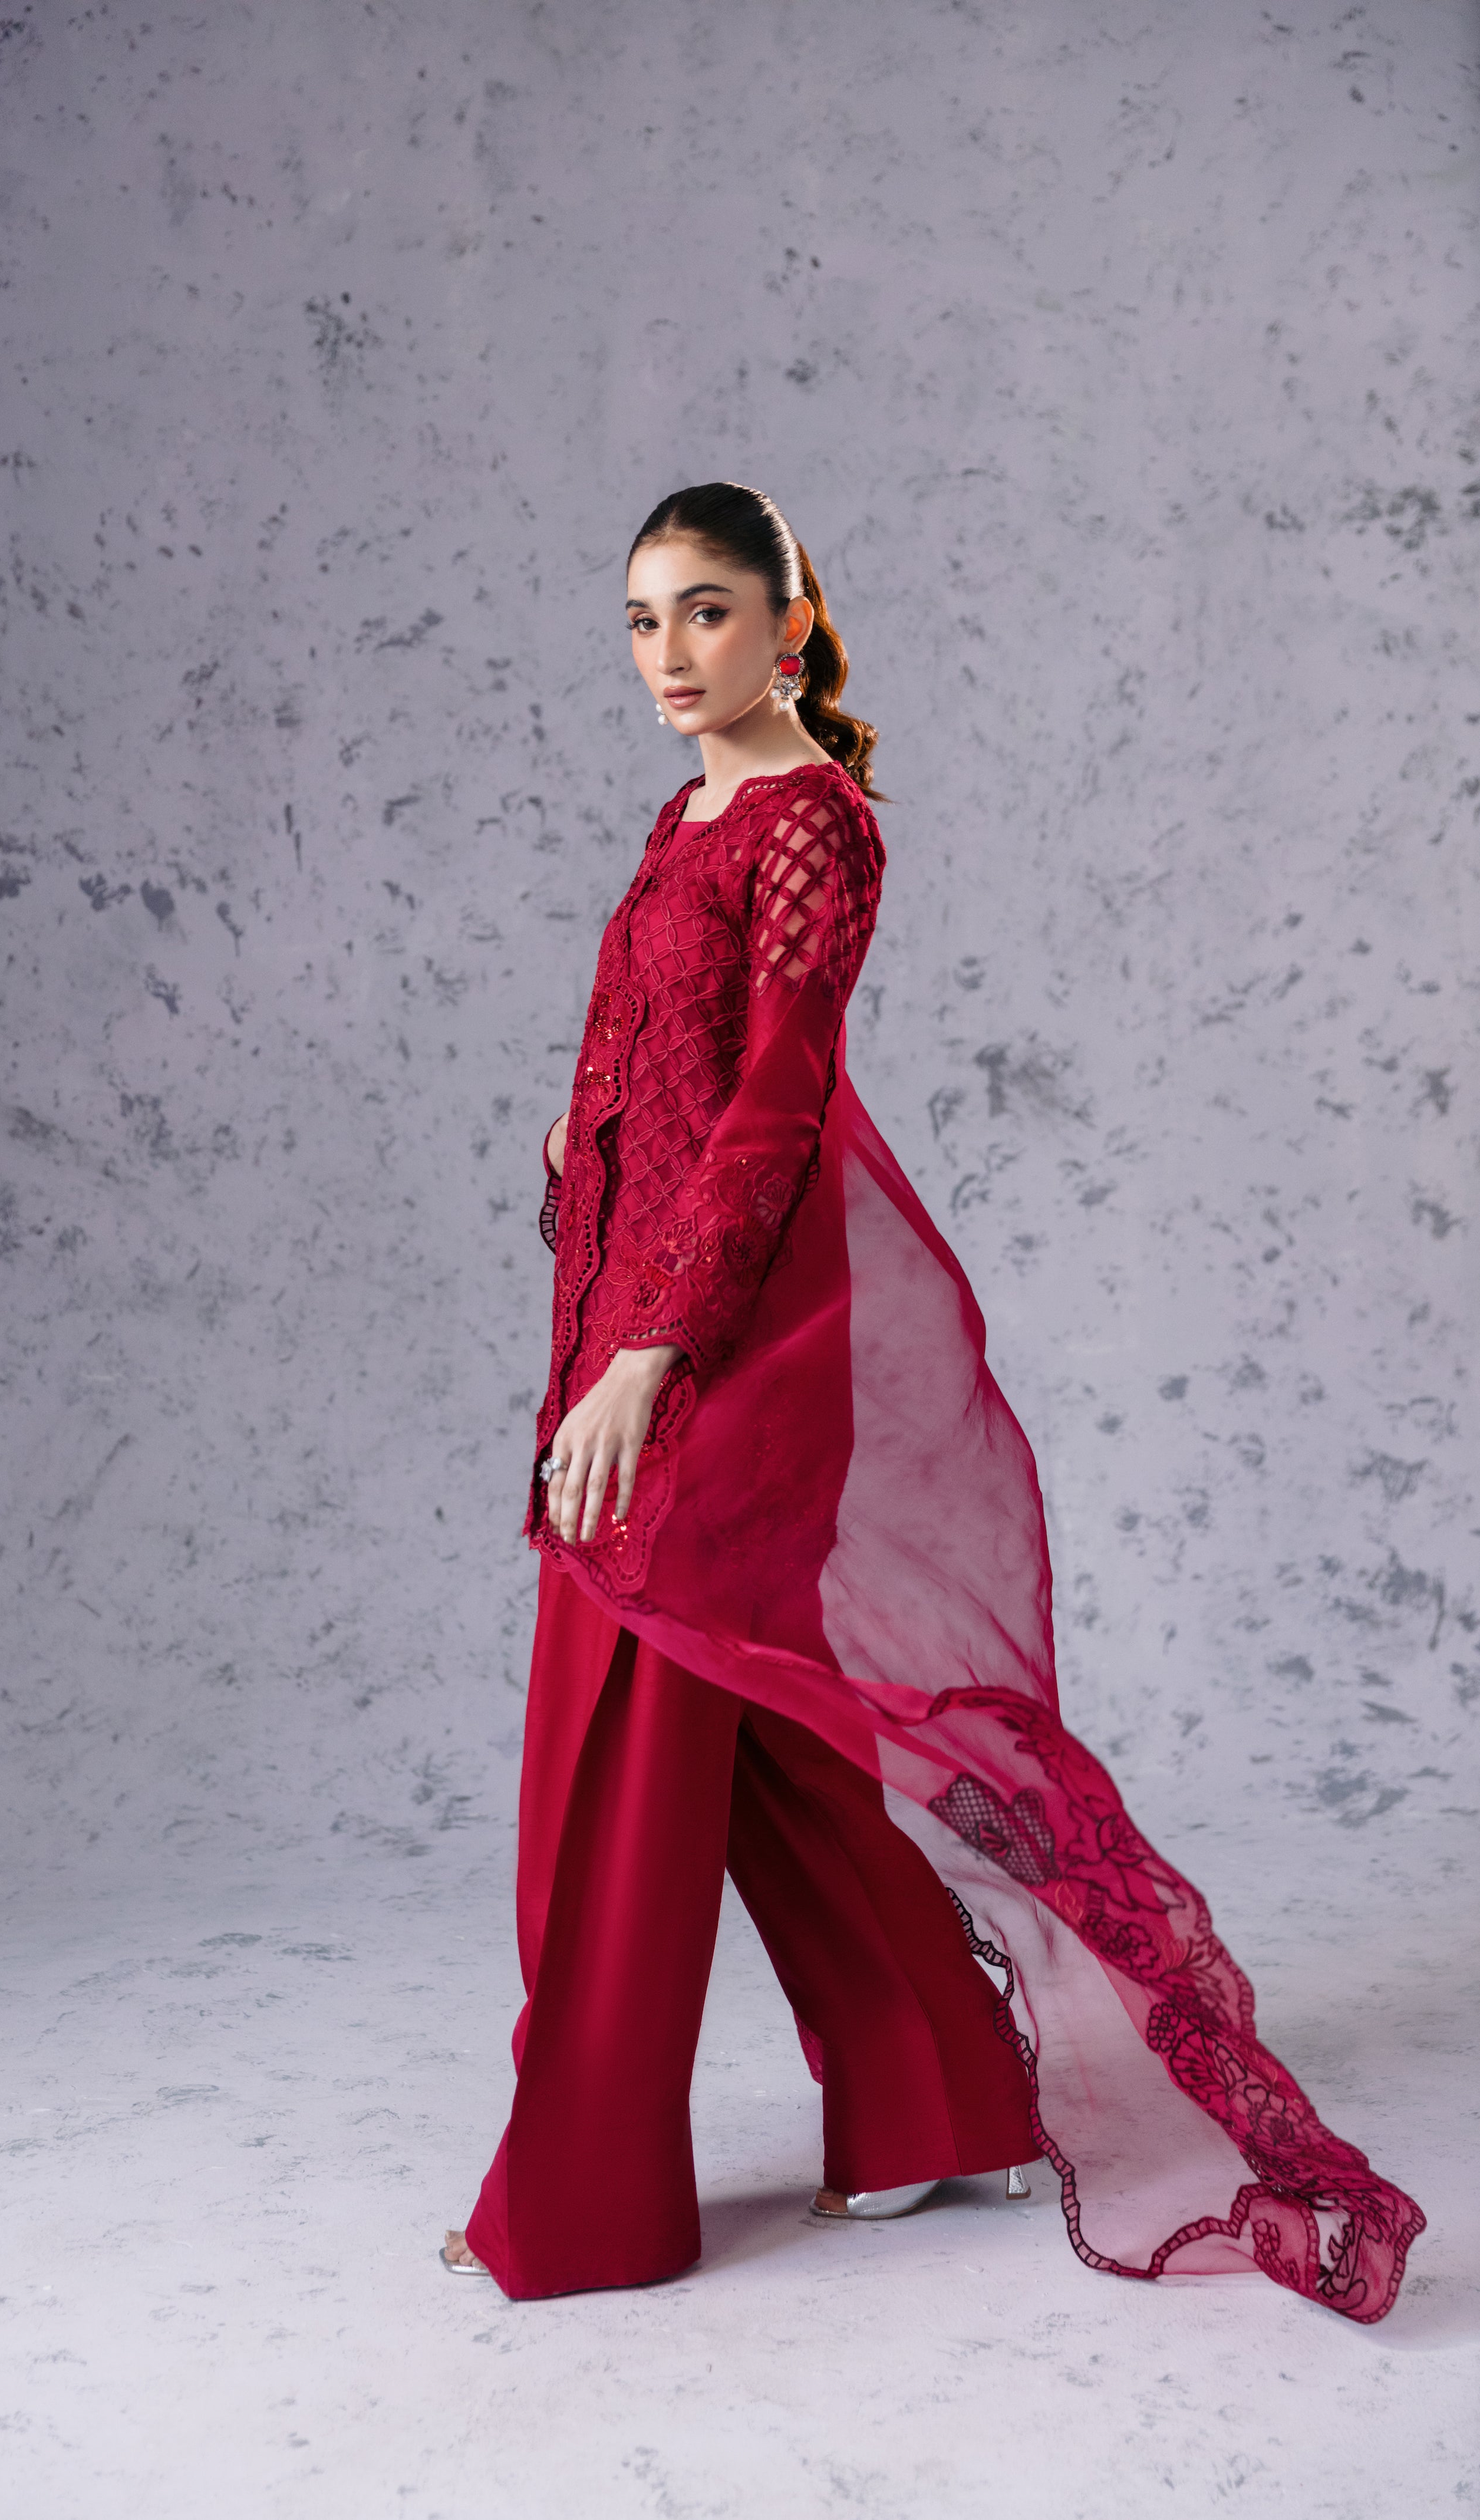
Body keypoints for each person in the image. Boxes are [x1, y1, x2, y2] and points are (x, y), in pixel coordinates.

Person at [443, 482, 1423, 2321]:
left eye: (706, 612)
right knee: (767, 1749)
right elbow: (650, 1049)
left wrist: (653, 1354)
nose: (668, 654)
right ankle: (936, 2095)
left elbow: (773, 1112)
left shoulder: (811, 823)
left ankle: (580, 2202)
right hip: (628, 1319)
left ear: (788, 620)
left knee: (610, 1786)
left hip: (724, 1351)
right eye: (643, 619)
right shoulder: (687, 809)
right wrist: (580, 1145)